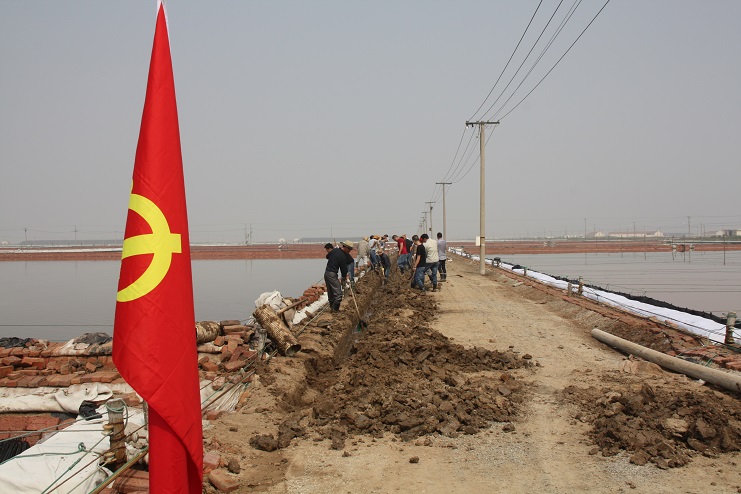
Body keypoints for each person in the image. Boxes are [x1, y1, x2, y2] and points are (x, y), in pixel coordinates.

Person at [324, 241, 353, 311]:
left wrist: (334, 253)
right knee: (338, 294)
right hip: (332, 274)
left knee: (331, 292)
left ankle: (332, 308)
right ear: (346, 248)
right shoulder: (342, 256)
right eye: (349, 249)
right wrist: (345, 277)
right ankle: (335, 310)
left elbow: (327, 256)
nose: (349, 251)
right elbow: (343, 269)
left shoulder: (335, 250)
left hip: (327, 273)